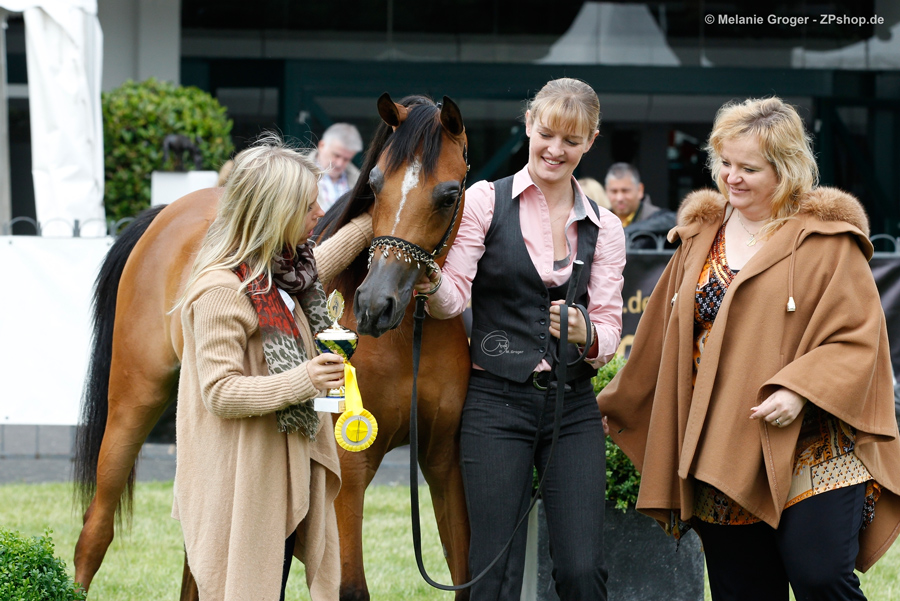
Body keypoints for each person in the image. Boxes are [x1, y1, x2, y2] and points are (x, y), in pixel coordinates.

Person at [597, 97, 900, 600]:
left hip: (813, 444)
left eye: (749, 168)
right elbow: (660, 337)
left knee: (820, 576)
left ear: (786, 170)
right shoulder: (700, 235)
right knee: (743, 590)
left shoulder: (828, 240)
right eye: (725, 163)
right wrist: (617, 403)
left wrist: (799, 390)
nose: (731, 178)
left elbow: (858, 338)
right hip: (723, 444)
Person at [417, 78, 626, 600]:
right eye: (547, 133)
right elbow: (455, 298)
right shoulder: (485, 201)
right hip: (496, 403)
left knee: (582, 571)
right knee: (492, 571)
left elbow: (609, 329)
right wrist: (429, 281)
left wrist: (586, 333)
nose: (556, 149)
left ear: (590, 142)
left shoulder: (605, 226)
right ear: (529, 124)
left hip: (572, 408)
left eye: (571, 140)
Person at [172, 133, 374, 600]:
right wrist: (305, 379)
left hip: (271, 471)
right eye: (307, 206)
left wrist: (373, 221)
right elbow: (220, 392)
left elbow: (322, 260)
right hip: (241, 483)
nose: (319, 213)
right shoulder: (222, 291)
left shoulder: (282, 273)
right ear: (273, 213)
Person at [604, 162, 676, 248]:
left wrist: (624, 231)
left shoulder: (655, 216)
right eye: (614, 191)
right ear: (606, 191)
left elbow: (674, 220)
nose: (619, 198)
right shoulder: (601, 219)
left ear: (640, 190)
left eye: (625, 191)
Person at [310, 122, 363, 213]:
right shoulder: (298, 174)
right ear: (322, 146)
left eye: (346, 159)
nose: (339, 164)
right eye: (336, 155)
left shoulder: (359, 180)